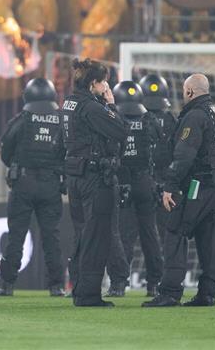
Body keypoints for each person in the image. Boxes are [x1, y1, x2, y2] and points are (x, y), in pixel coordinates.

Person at [143, 73, 215, 307]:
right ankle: (208, 293)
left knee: (175, 230)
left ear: (190, 91)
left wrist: (170, 186)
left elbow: (184, 155)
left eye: (184, 91)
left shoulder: (195, 116)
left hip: (196, 186)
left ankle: (170, 292)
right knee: (209, 237)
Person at [61, 59, 128, 308]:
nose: (106, 87)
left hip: (75, 175)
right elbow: (120, 130)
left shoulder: (68, 103)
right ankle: (88, 295)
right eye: (103, 82)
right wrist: (111, 105)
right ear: (93, 83)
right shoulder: (91, 107)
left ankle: (79, 288)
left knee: (82, 234)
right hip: (93, 177)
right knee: (96, 236)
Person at [0, 78, 67, 297]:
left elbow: (5, 153)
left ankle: (7, 285)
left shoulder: (21, 120)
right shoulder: (62, 122)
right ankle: (56, 286)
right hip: (51, 184)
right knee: (51, 237)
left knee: (16, 235)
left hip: (23, 183)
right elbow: (68, 152)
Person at [106, 81, 164, 298]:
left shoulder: (114, 120)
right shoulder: (150, 119)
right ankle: (154, 283)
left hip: (122, 184)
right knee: (150, 235)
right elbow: (161, 148)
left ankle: (119, 284)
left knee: (123, 236)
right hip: (145, 182)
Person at [139, 74, 176, 238]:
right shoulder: (170, 119)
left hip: (142, 180)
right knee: (166, 233)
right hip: (166, 182)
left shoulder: (136, 119)